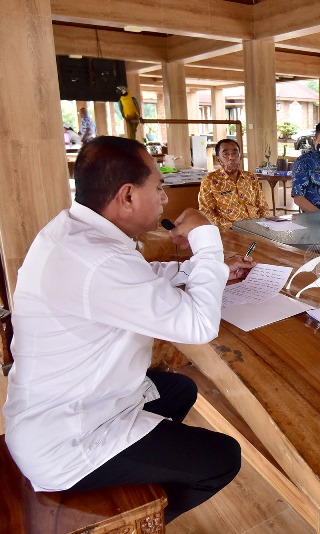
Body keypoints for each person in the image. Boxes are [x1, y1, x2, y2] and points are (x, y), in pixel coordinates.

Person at [4, 136, 253, 524]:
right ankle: (134, 523)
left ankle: (144, 479)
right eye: (158, 188)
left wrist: (208, 272)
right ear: (127, 196)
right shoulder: (98, 259)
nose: (165, 199)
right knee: (223, 458)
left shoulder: (74, 231)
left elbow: (139, 278)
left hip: (61, 404)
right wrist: (207, 242)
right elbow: (198, 325)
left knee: (181, 388)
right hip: (69, 438)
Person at [199, 139, 271, 228]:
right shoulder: (210, 181)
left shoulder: (251, 177)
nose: (231, 157)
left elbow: (262, 206)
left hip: (255, 228)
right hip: (229, 232)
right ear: (218, 160)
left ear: (240, 157)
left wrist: (264, 225)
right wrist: (233, 226)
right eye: (225, 154)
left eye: (235, 153)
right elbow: (206, 212)